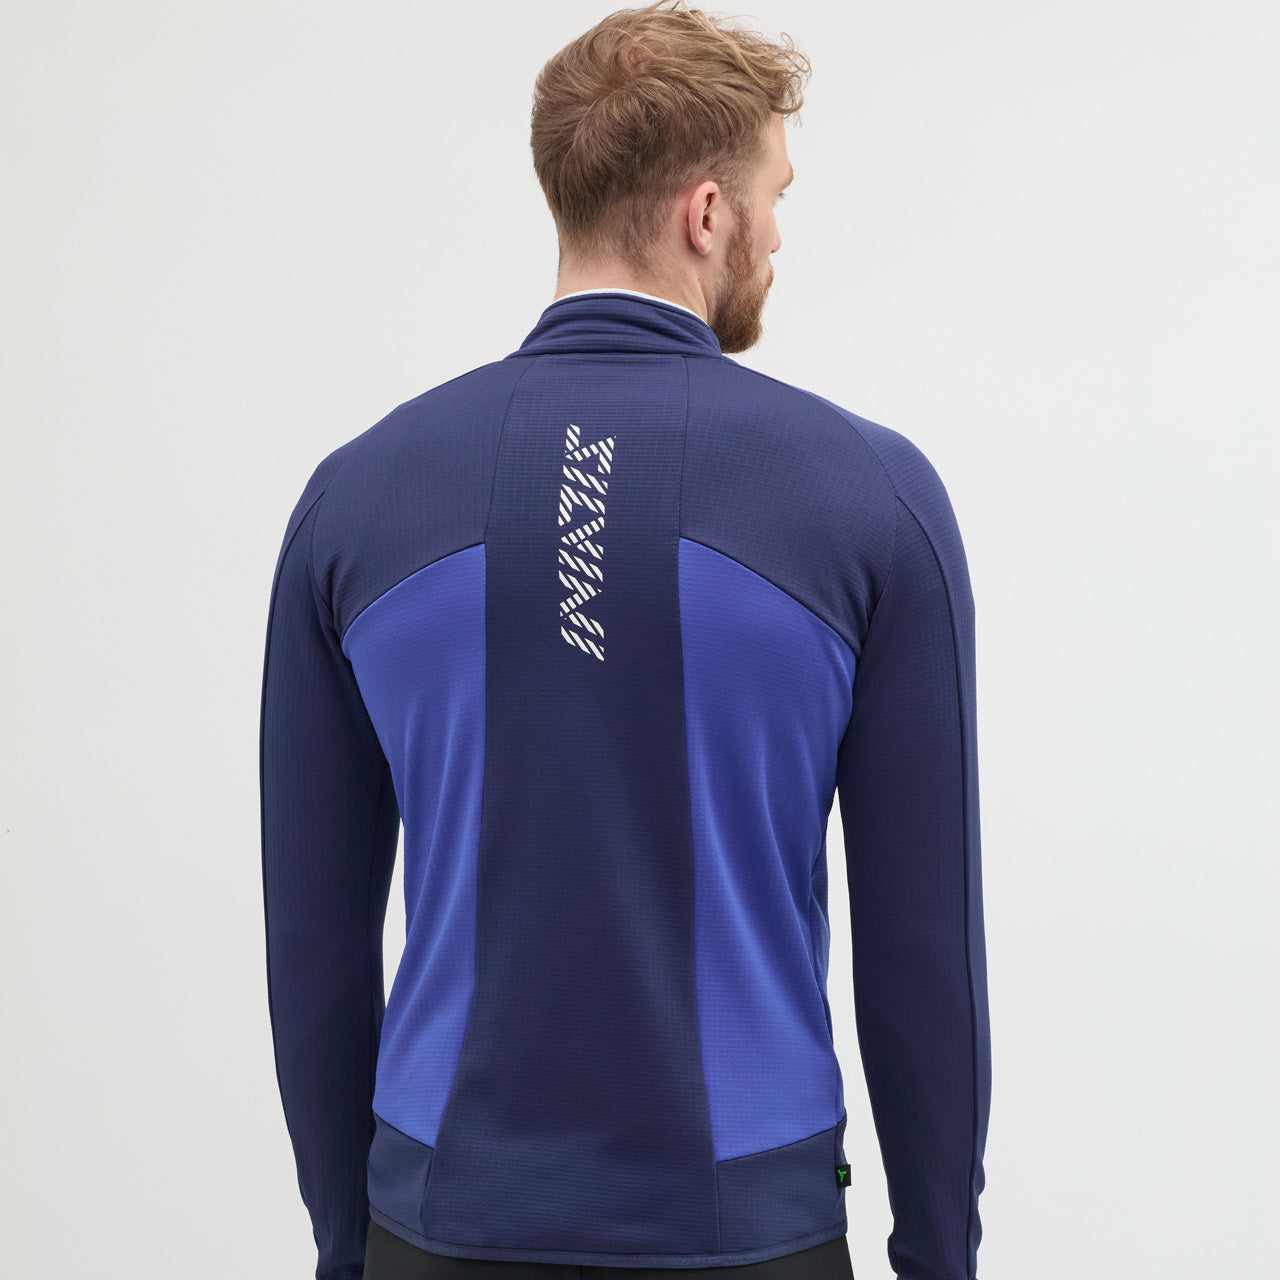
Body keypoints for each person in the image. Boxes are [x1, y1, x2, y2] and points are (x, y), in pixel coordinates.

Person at [258, 2, 992, 1278]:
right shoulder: (870, 499)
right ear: (707, 213)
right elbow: (926, 955)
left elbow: (312, 947)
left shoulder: (354, 500)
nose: (777, 234)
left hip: (436, 1225)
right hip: (749, 1233)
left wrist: (349, 1244)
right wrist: (940, 1257)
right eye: (773, 196)